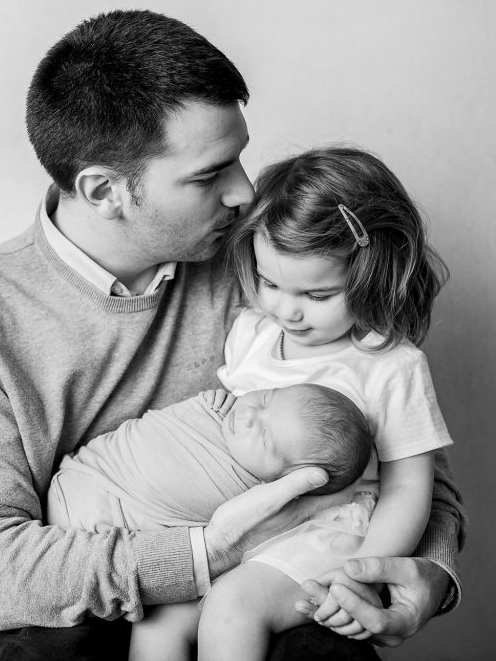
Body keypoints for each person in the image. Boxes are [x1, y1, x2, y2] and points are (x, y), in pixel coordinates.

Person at [0, 10, 465, 660]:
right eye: (210, 174)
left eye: (240, 158)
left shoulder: (266, 266)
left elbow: (402, 461)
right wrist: (201, 556)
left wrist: (426, 576)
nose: (244, 193)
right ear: (106, 190)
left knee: (323, 649)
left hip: (269, 568)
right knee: (45, 648)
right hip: (92, 590)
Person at [188, 146, 454, 660]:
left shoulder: (389, 366)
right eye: (270, 283)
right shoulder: (251, 332)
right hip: (239, 525)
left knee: (231, 608)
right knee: (161, 618)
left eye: (317, 295)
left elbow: (409, 488)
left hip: (327, 534)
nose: (286, 310)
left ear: (373, 273)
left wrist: (363, 573)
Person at [47, 384, 374, 533]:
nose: (248, 415)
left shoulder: (255, 497)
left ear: (289, 481)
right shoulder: (218, 410)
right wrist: (207, 404)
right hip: (84, 473)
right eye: (264, 398)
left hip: (102, 528)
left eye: (262, 436)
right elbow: (174, 423)